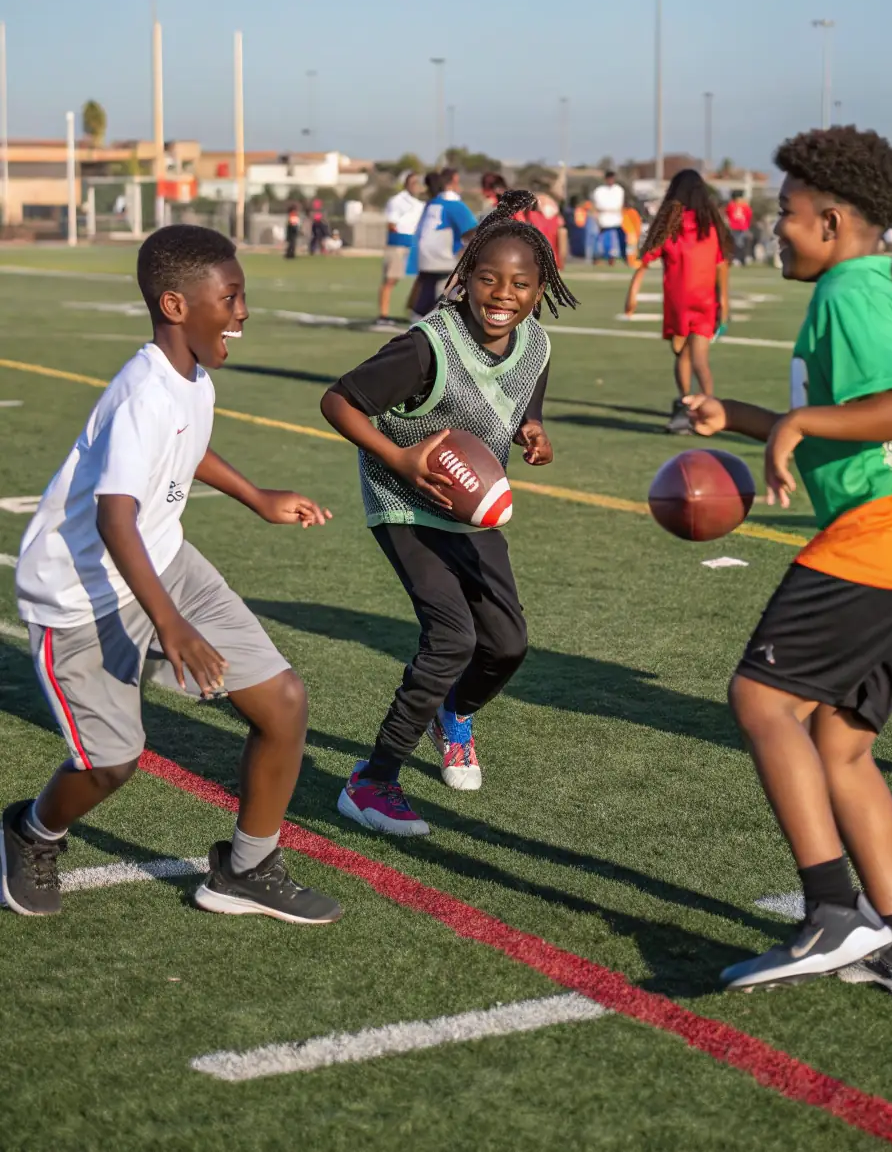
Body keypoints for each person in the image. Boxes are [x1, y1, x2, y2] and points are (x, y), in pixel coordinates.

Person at [685, 126, 892, 1002]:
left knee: (761, 697)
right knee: (841, 746)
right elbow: (854, 415)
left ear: (834, 219)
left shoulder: (850, 292)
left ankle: (831, 910)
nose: (775, 229)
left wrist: (796, 426)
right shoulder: (864, 286)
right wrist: (744, 416)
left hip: (889, 529)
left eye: (788, 214)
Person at [2, 225, 341, 925]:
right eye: (232, 296)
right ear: (177, 305)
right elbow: (114, 519)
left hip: (163, 561)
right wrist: (172, 626)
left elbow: (190, 448)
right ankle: (31, 832)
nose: (243, 311)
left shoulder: (192, 378)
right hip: (82, 596)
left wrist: (258, 498)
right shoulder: (143, 393)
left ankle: (247, 868)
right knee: (112, 762)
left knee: (282, 701)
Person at [320, 191, 579, 835]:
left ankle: (452, 713)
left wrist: (534, 429)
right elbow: (338, 402)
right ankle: (373, 781)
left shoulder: (537, 345)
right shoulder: (426, 346)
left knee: (508, 643)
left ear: (540, 288)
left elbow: (525, 396)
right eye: (488, 279)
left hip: (470, 505)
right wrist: (402, 460)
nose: (502, 294)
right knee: (452, 636)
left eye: (520, 283)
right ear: (462, 281)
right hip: (403, 500)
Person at [624, 169, 730, 434]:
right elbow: (721, 266)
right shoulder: (710, 224)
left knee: (683, 354)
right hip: (706, 301)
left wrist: (632, 294)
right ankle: (708, 405)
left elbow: (645, 262)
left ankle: (688, 405)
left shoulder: (671, 223)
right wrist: (725, 306)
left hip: (678, 301)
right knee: (698, 358)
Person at [410, 167, 477, 317]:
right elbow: (473, 231)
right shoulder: (454, 204)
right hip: (443, 257)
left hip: (425, 256)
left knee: (428, 291)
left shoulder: (432, 203)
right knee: (451, 294)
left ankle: (418, 315)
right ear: (454, 181)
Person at [377, 172, 424, 330]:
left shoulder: (420, 204)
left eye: (417, 183)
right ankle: (383, 315)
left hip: (414, 244)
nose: (416, 186)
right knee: (391, 279)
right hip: (398, 244)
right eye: (413, 182)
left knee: (421, 280)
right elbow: (392, 223)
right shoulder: (397, 201)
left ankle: (413, 312)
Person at [591, 169, 626, 265]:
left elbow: (620, 206)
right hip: (602, 221)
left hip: (615, 221)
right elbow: (595, 206)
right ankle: (597, 258)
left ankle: (613, 259)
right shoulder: (599, 191)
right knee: (600, 242)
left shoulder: (619, 190)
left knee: (614, 243)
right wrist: (596, 217)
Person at [725, 191, 754, 265]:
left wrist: (747, 227)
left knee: (740, 243)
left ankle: (742, 258)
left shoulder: (740, 205)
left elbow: (748, 216)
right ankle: (738, 258)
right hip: (736, 227)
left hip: (741, 227)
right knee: (738, 243)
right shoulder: (735, 205)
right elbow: (728, 214)